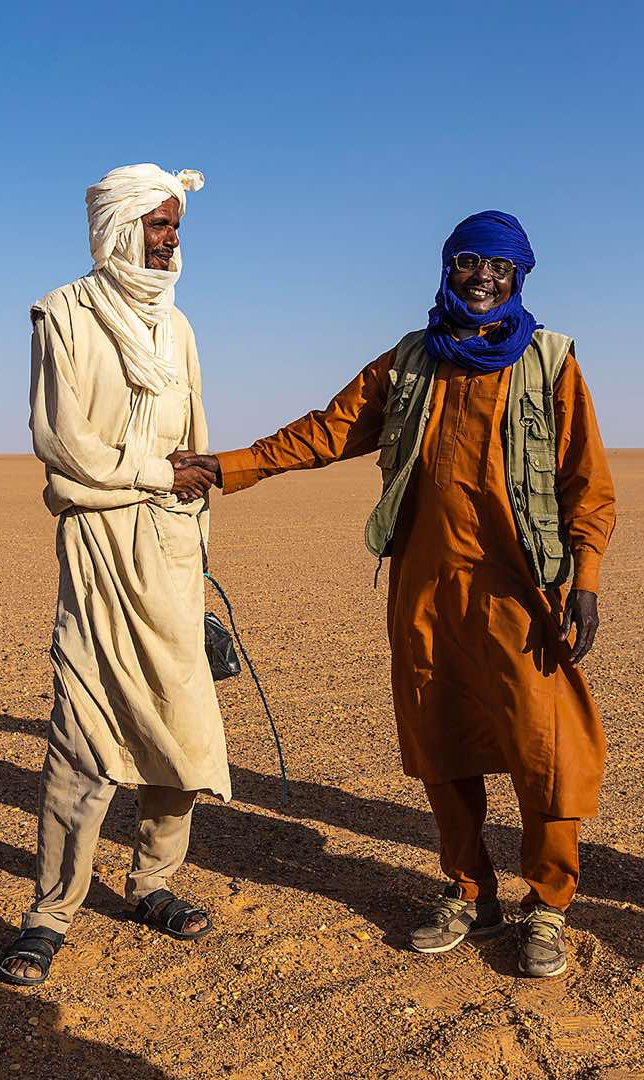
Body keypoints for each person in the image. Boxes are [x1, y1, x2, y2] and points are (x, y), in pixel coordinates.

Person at [175, 211, 616, 978]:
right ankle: (468, 891)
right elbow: (327, 429)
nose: (483, 277)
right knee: (439, 743)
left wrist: (586, 579)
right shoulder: (410, 361)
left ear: (519, 278)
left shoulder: (548, 362)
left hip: (521, 593)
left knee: (546, 750)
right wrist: (227, 465)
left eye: (499, 268)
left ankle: (546, 905)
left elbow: (587, 483)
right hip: (424, 587)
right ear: (448, 268)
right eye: (470, 262)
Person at [0, 164, 224, 986]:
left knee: (181, 727)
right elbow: (63, 442)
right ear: (117, 228)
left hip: (169, 549)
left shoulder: (181, 327)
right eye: (158, 225)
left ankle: (153, 883)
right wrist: (159, 475)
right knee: (82, 736)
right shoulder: (62, 313)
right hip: (97, 546)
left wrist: (195, 540)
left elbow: (195, 445)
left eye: (176, 227)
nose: (169, 241)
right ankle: (49, 911)